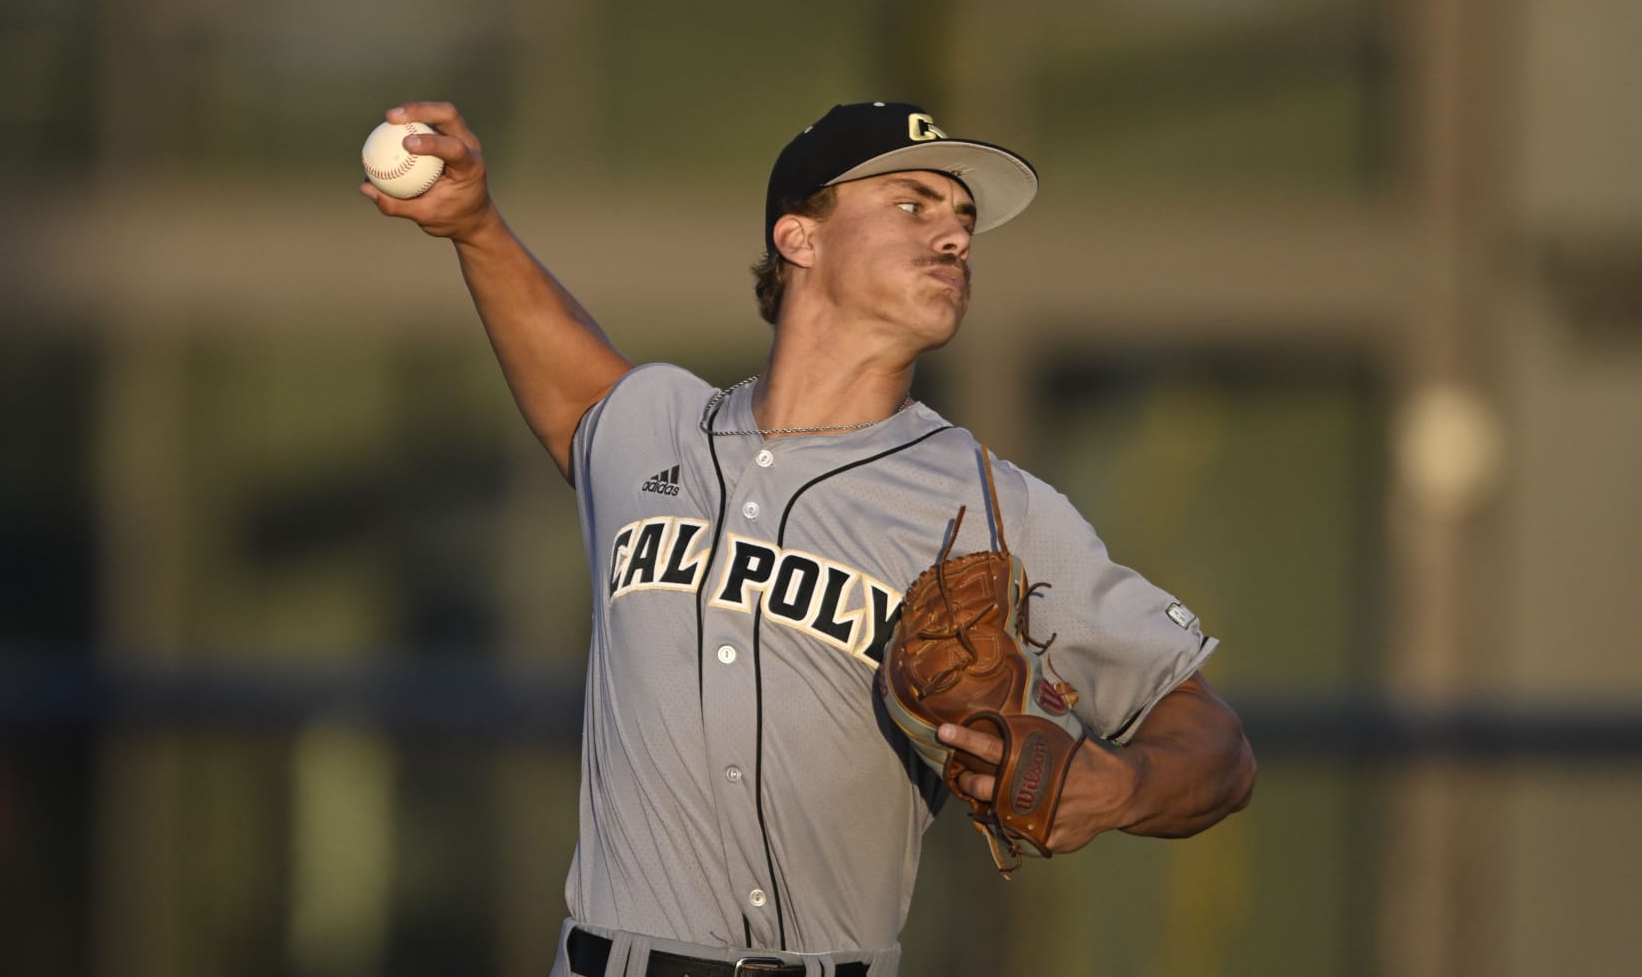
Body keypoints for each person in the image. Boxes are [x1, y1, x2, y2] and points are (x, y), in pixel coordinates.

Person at [363, 100, 1255, 977]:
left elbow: (1216, 747)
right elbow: (560, 357)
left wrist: (1121, 787)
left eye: (963, 221)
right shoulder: (650, 429)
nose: (953, 238)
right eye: (913, 204)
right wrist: (475, 227)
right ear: (799, 237)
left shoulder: (997, 507)